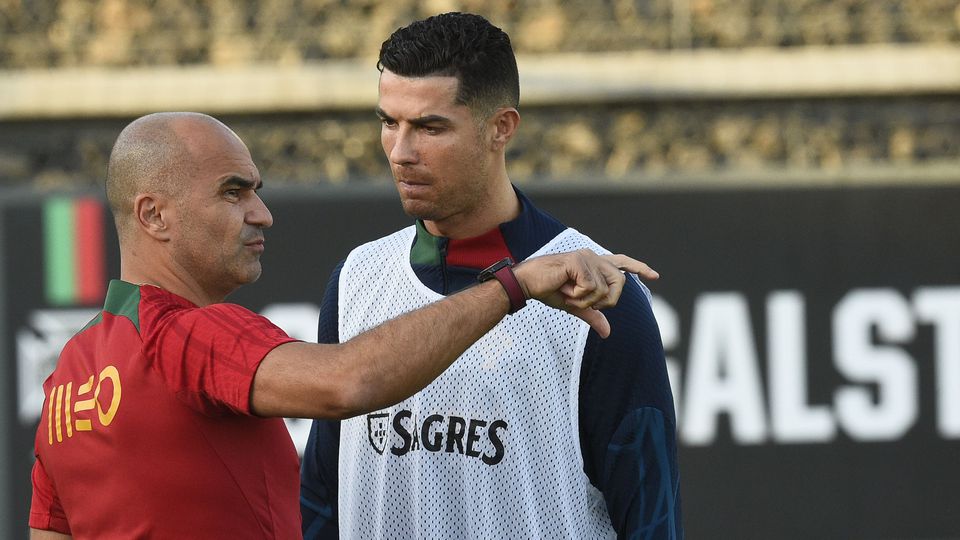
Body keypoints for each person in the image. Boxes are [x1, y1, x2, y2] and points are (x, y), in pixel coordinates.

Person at [28, 111, 656, 539]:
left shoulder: (67, 379)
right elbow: (345, 383)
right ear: (154, 215)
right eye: (232, 192)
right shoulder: (186, 333)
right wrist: (516, 283)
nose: (262, 214)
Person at [299, 11, 682, 540]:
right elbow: (322, 494)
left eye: (431, 127)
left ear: (501, 128)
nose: (401, 153)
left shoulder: (598, 291)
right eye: (390, 122)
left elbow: (651, 516)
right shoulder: (356, 277)